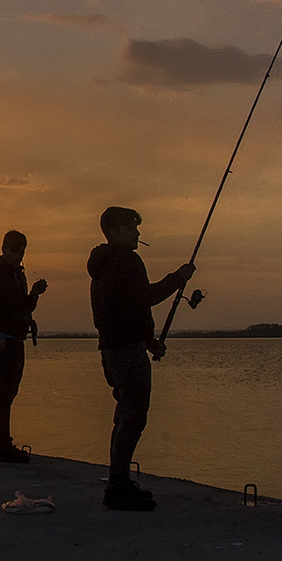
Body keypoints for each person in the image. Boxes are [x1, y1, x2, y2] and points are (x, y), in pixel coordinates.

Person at [87, 207, 195, 510]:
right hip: (125, 352)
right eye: (130, 227)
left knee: (124, 416)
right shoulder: (124, 261)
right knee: (133, 418)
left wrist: (148, 340)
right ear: (112, 230)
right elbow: (143, 298)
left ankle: (118, 480)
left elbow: (125, 308)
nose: (137, 233)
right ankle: (117, 487)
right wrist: (178, 278)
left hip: (113, 350)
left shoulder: (104, 264)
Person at [0, 230, 48, 462]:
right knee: (4, 393)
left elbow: (24, 308)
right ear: (4, 250)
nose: (19, 257)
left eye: (22, 253)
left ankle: (3, 443)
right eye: (15, 252)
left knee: (10, 392)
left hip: (16, 342)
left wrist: (34, 293)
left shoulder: (19, 276)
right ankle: (2, 445)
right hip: (1, 345)